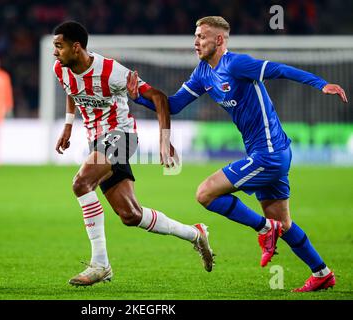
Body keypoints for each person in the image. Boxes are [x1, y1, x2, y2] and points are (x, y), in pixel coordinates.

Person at [128, 16, 348, 292]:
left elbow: (279, 70)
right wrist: (138, 96)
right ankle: (322, 272)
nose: (196, 42)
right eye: (195, 36)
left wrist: (320, 84)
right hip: (267, 152)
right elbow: (172, 106)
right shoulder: (202, 73)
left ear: (219, 40)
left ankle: (264, 229)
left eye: (202, 37)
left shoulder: (237, 64)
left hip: (269, 153)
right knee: (284, 224)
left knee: (205, 194)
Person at [53, 21, 214, 286]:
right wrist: (69, 126)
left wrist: (164, 142)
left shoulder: (111, 71)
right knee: (131, 215)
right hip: (98, 143)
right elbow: (71, 90)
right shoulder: (62, 68)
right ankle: (196, 234)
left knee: (81, 183)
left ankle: (100, 264)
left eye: (59, 46)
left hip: (122, 137)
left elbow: (159, 98)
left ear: (76, 46)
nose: (54, 52)